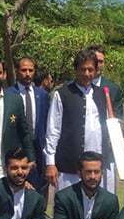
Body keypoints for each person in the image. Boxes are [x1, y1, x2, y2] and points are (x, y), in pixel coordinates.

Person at [45, 50, 115, 191]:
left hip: (97, 165)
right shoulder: (62, 94)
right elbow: (53, 130)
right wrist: (50, 163)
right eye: (83, 69)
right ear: (76, 70)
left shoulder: (102, 94)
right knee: (69, 206)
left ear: (96, 71)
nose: (87, 73)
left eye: (90, 69)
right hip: (70, 166)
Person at [6, 57, 49, 191]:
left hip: (39, 147)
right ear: (17, 71)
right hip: (17, 147)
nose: (27, 73)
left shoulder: (42, 94)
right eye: (24, 70)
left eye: (31, 70)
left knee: (40, 187)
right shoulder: (8, 94)